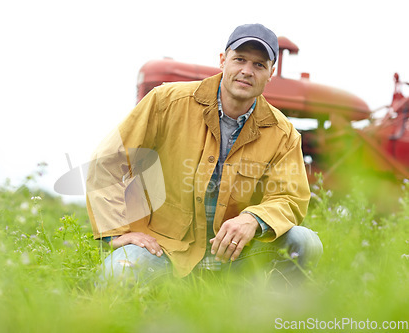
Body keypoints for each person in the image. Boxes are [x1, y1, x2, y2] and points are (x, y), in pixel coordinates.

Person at [86, 23, 323, 286]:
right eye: (240, 59)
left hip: (235, 256)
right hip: (165, 250)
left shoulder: (284, 133)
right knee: (117, 276)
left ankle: (262, 314)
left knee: (305, 242)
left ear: (271, 73)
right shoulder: (166, 101)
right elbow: (108, 161)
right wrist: (116, 232)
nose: (247, 71)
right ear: (223, 60)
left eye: (259, 65)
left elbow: (289, 196)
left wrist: (254, 219)